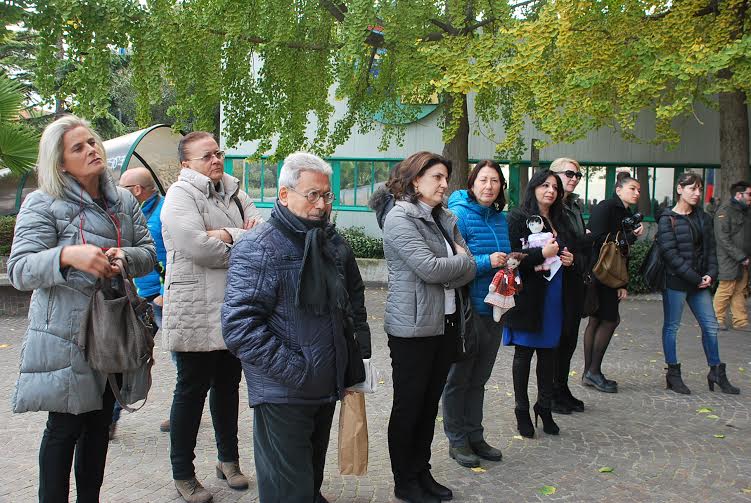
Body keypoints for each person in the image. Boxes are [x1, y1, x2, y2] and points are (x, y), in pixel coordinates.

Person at [7, 115, 156, 502]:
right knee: (64, 428)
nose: (91, 150)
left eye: (92, 142)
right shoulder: (42, 203)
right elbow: (20, 269)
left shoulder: (123, 200)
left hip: (112, 328)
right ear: (60, 163)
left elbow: (149, 253)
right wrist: (67, 256)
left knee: (98, 425)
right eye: (79, 147)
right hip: (64, 333)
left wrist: (124, 256)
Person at [222, 152, 371, 503]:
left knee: (308, 480)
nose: (321, 204)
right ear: (284, 195)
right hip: (284, 392)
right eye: (312, 195)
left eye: (326, 195)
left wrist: (357, 356)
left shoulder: (330, 241)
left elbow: (352, 301)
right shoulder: (259, 247)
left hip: (325, 385)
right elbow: (239, 327)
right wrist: (299, 371)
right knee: (288, 490)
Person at [161, 131, 261, 503]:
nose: (216, 159)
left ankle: (228, 460)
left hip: (233, 306)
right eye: (206, 156)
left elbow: (263, 238)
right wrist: (240, 237)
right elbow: (197, 247)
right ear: (186, 164)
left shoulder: (235, 192)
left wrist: (224, 234)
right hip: (194, 309)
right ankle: (183, 473)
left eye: (218, 153)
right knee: (190, 391)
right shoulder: (180, 194)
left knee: (228, 387)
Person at [374, 151, 476, 503]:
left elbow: (468, 268)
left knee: (430, 405)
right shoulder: (400, 217)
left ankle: (422, 471)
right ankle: (404, 481)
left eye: (446, 177)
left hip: (445, 323)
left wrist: (459, 263)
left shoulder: (444, 217)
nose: (445, 184)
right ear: (415, 179)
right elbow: (430, 269)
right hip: (412, 329)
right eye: (437, 177)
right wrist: (460, 261)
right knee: (410, 407)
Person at [442, 160, 510, 468]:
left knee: (479, 379)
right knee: (459, 379)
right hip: (467, 311)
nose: (489, 186)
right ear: (472, 183)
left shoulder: (499, 218)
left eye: (495, 181)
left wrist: (511, 266)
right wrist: (488, 261)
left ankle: (475, 435)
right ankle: (457, 440)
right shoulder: (459, 216)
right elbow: (454, 263)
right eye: (483, 180)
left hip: (496, 309)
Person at [503, 170, 575, 439]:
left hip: (555, 294)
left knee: (549, 354)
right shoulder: (518, 218)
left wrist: (569, 259)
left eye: (555, 187)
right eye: (545, 185)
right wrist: (541, 254)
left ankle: (544, 407)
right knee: (524, 354)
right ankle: (521, 410)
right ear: (533, 187)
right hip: (528, 295)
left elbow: (567, 250)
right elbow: (511, 258)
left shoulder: (560, 218)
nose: (551, 191)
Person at [658, 172, 740, 394]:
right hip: (676, 282)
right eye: (692, 188)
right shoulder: (667, 218)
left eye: (700, 189)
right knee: (672, 327)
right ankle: (673, 374)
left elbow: (711, 250)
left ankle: (716, 371)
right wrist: (696, 278)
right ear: (679, 189)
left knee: (711, 326)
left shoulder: (703, 218)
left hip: (700, 283)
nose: (697, 193)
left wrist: (711, 274)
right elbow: (670, 254)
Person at [111, 167, 169, 438]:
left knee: (181, 360)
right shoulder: (133, 212)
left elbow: (175, 254)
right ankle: (111, 417)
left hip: (162, 298)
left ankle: (183, 410)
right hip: (139, 297)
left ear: (136, 190)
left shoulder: (165, 212)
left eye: (122, 186)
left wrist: (164, 292)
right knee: (129, 355)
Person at [581, 171, 644, 393]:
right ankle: (593, 371)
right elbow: (595, 239)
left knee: (598, 320)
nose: (636, 193)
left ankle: (590, 373)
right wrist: (630, 236)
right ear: (619, 190)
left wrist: (622, 283)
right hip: (600, 273)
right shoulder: (606, 207)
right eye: (632, 189)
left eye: (638, 190)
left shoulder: (627, 213)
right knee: (608, 320)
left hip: (610, 274)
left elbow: (622, 253)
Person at [548, 158, 588, 414]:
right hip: (557, 279)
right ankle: (551, 392)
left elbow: (579, 243)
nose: (574, 178)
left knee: (570, 338)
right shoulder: (552, 205)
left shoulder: (574, 205)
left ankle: (561, 387)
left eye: (578, 175)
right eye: (569, 174)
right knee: (558, 338)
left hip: (575, 276)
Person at [713, 181, 751, 331]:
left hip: (743, 258)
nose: (750, 197)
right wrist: (740, 256)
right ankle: (716, 319)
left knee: (740, 290)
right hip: (729, 258)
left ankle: (740, 321)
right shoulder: (725, 211)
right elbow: (722, 238)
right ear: (739, 195)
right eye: (749, 194)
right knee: (726, 289)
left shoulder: (745, 211)